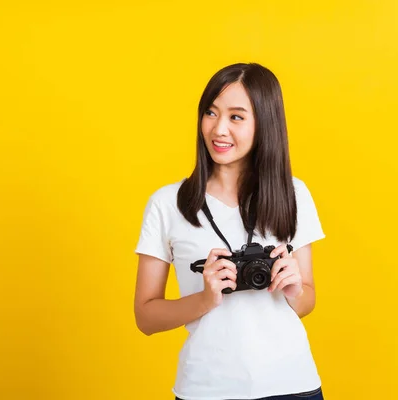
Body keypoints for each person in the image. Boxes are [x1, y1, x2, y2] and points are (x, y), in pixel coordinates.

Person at [133, 62, 326, 400]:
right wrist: (205, 299)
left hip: (293, 384)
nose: (218, 129)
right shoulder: (167, 203)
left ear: (264, 124)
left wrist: (294, 288)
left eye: (236, 117)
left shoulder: (294, 195)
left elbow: (307, 300)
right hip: (207, 388)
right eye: (211, 112)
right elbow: (145, 317)